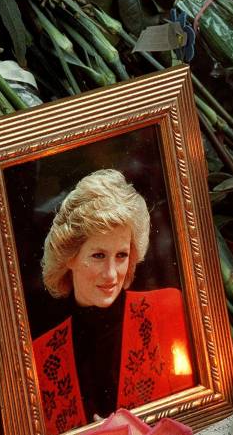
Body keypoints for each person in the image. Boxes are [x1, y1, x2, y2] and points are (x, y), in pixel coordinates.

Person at [31, 169, 194, 434]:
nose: (111, 274)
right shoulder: (39, 356)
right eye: (97, 255)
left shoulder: (168, 308)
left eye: (121, 255)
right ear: (69, 257)